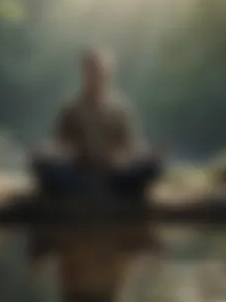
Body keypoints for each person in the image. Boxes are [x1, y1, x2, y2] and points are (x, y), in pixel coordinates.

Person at [29, 47, 162, 200]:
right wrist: (43, 152)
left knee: (153, 164)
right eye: (90, 71)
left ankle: (110, 191)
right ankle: (85, 191)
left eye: (99, 71)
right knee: (42, 164)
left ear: (108, 74)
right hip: (79, 174)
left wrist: (148, 155)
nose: (95, 76)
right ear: (84, 74)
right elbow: (60, 146)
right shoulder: (71, 108)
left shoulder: (119, 109)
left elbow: (131, 146)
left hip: (113, 175)